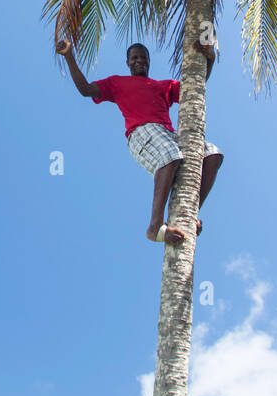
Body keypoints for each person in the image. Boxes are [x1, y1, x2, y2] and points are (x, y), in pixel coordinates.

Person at [55, 37, 224, 246]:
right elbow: (86, 89)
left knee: (212, 154)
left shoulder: (162, 86)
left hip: (168, 134)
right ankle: (155, 226)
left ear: (149, 61)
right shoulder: (117, 83)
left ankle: (190, 214)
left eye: (143, 58)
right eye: (134, 58)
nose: (139, 61)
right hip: (141, 133)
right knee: (170, 154)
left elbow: (194, 87)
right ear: (128, 62)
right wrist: (69, 55)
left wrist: (211, 58)